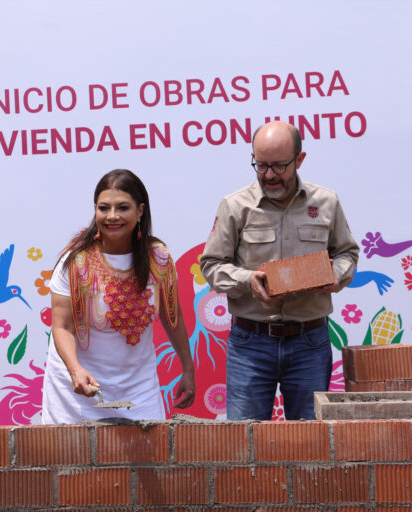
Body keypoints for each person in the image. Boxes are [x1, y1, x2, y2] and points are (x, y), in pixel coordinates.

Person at [200, 121, 359, 420]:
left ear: (300, 160)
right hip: (250, 344)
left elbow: (347, 253)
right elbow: (211, 265)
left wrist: (337, 274)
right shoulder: (235, 206)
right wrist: (248, 280)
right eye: (260, 166)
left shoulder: (326, 202)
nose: (269, 175)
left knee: (309, 445)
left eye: (279, 166)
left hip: (309, 343)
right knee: (244, 445)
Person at [41, 169, 195, 423]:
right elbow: (62, 326)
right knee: (73, 462)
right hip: (78, 390)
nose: (112, 216)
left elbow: (173, 316)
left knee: (145, 462)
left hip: (138, 388)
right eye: (104, 208)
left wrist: (187, 368)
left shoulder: (159, 259)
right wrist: (75, 370)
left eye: (122, 207)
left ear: (140, 211)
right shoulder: (76, 262)